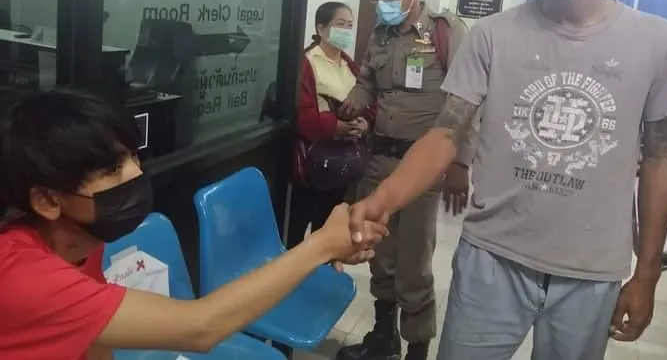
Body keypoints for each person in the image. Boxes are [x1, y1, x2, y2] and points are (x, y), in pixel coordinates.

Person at [348, 0, 667, 360]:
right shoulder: (492, 36)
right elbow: (445, 133)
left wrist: (648, 273)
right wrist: (381, 200)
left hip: (591, 270)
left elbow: (660, 161)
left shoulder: (659, 43)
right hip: (492, 258)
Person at [0, 89, 386, 360]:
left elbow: (93, 340)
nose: (136, 173)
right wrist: (322, 245)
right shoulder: (23, 277)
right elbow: (200, 328)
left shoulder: (79, 241)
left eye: (134, 157)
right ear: (47, 201)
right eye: (112, 169)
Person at [336, 0, 476, 360]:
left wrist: (460, 163)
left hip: (423, 166)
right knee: (380, 255)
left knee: (413, 262)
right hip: (379, 158)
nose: (382, 3)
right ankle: (383, 337)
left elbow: (469, 102)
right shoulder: (380, 35)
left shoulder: (445, 32)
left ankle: (417, 348)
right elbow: (368, 82)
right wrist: (355, 99)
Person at [287, 2, 372, 248]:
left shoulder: (349, 65)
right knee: (297, 229)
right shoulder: (307, 62)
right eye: (340, 24)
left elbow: (368, 101)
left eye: (350, 25)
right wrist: (338, 127)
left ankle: (325, 265)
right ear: (321, 28)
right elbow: (303, 115)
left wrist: (364, 123)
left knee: (330, 226)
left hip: (344, 162)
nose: (346, 30)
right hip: (314, 161)